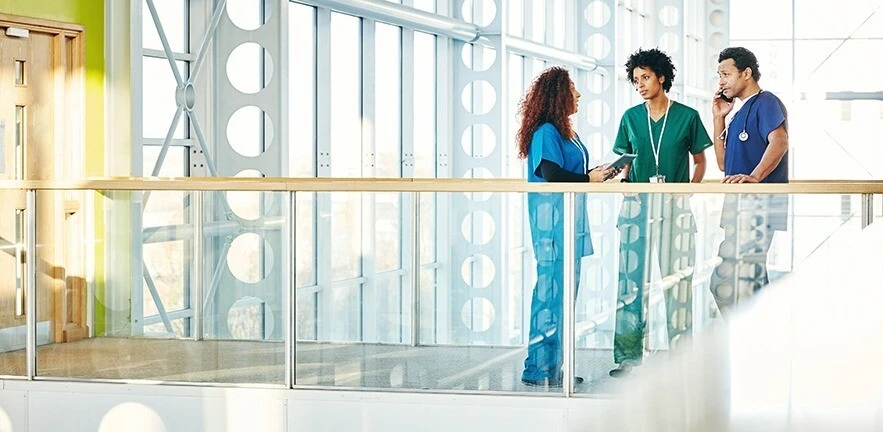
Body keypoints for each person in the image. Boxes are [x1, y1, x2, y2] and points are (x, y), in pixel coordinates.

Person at [609, 48, 712, 377]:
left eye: (645, 77)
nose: (639, 84)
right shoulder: (630, 117)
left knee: (679, 281)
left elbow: (700, 161)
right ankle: (628, 357)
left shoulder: (687, 116)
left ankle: (681, 357)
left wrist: (690, 189)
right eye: (635, 80)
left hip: (675, 208)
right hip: (636, 209)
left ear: (662, 77)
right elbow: (625, 161)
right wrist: (619, 179)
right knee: (630, 284)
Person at [516, 66, 616, 387]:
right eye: (572, 89)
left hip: (570, 225)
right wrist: (588, 178)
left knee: (562, 301)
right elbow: (550, 172)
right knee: (549, 299)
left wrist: (599, 174)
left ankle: (554, 367)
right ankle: (537, 369)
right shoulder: (546, 131)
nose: (578, 94)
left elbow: (571, 172)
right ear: (558, 95)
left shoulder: (566, 132)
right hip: (553, 227)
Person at [710, 47, 789, 315]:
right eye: (719, 75)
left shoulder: (766, 102)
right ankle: (757, 334)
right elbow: (723, 164)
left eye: (726, 74)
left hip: (757, 208)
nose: (721, 81)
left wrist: (754, 177)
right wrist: (718, 118)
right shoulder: (738, 114)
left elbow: (779, 141)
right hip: (737, 208)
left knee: (730, 282)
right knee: (744, 283)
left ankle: (755, 335)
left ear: (746, 73)